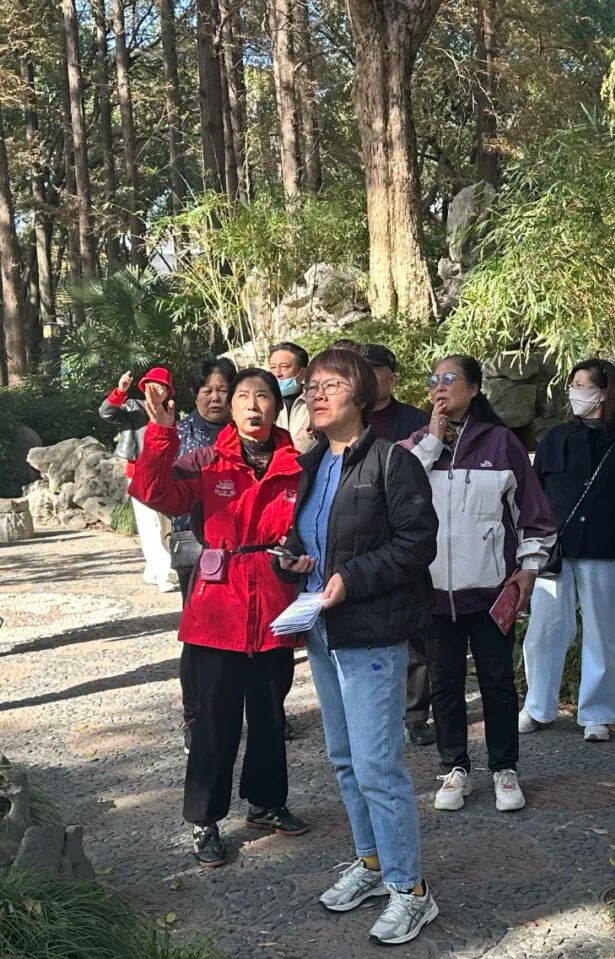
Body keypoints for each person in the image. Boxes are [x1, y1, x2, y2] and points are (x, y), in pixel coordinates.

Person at [275, 348, 440, 945]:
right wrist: (297, 559)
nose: (315, 394)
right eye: (312, 386)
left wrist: (352, 578)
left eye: (331, 384)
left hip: (370, 632)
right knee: (344, 759)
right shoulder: (313, 462)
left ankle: (411, 891)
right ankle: (372, 864)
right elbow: (314, 537)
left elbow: (417, 543)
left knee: (377, 765)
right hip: (323, 628)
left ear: (362, 395)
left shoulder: (394, 462)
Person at [130, 368, 308, 868]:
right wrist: (161, 432)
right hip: (217, 609)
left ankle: (266, 804)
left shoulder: (299, 465)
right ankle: (204, 820)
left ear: (276, 406)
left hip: (273, 605)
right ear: (230, 408)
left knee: (270, 716)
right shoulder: (207, 460)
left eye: (263, 396)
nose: (253, 405)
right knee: (214, 721)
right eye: (242, 396)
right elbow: (153, 492)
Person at [405, 355, 556, 813]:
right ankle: (455, 767)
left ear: (474, 389)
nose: (439, 386)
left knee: (497, 682)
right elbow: (397, 493)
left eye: (450, 379)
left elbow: (534, 515)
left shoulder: (501, 442)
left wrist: (529, 567)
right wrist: (433, 441)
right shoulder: (416, 445)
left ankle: (504, 769)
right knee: (445, 684)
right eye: (433, 379)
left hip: (491, 591)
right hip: (434, 593)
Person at [519, 359, 615, 743]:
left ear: (604, 392)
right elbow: (535, 494)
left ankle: (597, 714)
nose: (575, 391)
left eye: (583, 384)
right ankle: (538, 706)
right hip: (556, 548)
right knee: (544, 630)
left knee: (603, 632)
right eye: (573, 384)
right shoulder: (556, 437)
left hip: (606, 548)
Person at [345, 343, 434, 746]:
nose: (366, 376)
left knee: (413, 626)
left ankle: (415, 713)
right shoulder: (349, 420)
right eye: (360, 369)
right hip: (359, 535)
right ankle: (369, 708)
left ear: (392, 378)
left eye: (374, 370)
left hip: (405, 532)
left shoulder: (416, 421)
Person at [173, 356, 237, 755]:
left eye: (223, 390)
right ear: (195, 394)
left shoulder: (249, 431)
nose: (215, 398)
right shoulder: (181, 433)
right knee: (199, 635)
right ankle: (194, 716)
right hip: (197, 546)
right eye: (207, 390)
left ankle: (253, 711)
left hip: (243, 546)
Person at [99, 368, 178, 593]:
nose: (158, 390)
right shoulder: (133, 407)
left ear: (168, 393)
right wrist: (120, 391)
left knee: (164, 524)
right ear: (145, 387)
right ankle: (164, 573)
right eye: (154, 385)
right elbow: (106, 413)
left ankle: (152, 571)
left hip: (165, 475)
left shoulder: (169, 412)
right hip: (139, 473)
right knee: (151, 524)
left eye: (163, 387)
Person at [269, 341, 315, 452]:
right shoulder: (266, 403)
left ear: (303, 372)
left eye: (284, 367)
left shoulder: (316, 402)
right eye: (273, 367)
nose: (277, 374)